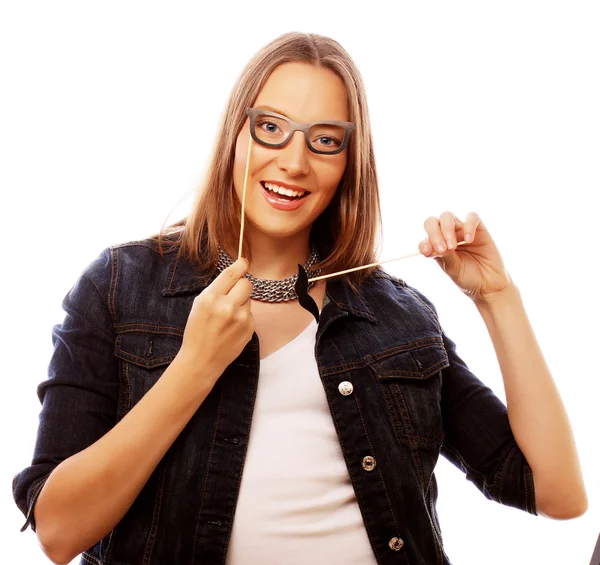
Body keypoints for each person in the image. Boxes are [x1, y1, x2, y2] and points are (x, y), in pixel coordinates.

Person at [12, 31, 587, 565]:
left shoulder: (397, 315)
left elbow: (557, 493)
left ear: (347, 165)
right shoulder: (119, 287)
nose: (293, 161)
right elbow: (60, 532)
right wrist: (195, 368)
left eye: (325, 140)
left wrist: (497, 297)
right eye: (271, 128)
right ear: (236, 134)